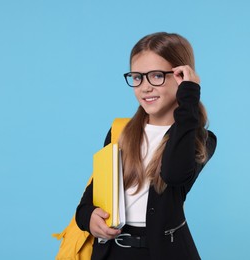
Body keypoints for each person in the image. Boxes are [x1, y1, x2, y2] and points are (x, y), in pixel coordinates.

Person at [76, 32, 217, 260]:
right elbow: (88, 199)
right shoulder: (119, 132)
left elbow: (174, 174)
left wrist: (189, 97)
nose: (145, 87)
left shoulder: (201, 139)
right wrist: (89, 217)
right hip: (112, 252)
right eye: (138, 77)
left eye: (157, 76)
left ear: (182, 76)